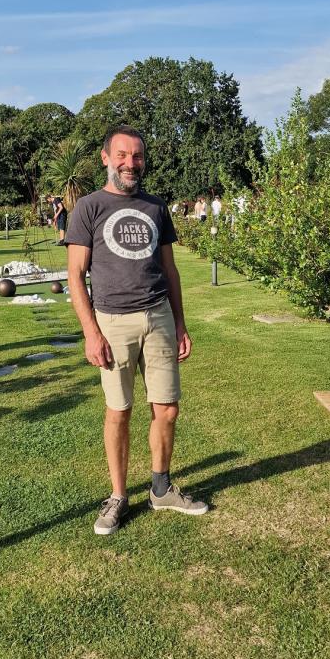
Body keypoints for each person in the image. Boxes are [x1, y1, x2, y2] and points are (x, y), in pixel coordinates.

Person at [66, 124, 208, 536]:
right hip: (112, 322)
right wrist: (91, 332)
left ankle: (160, 489)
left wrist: (180, 323)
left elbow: (170, 270)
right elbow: (75, 275)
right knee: (120, 411)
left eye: (138, 156)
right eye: (123, 155)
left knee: (167, 408)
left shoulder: (156, 207)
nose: (132, 163)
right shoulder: (88, 208)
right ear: (106, 158)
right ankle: (118, 496)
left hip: (158, 316)